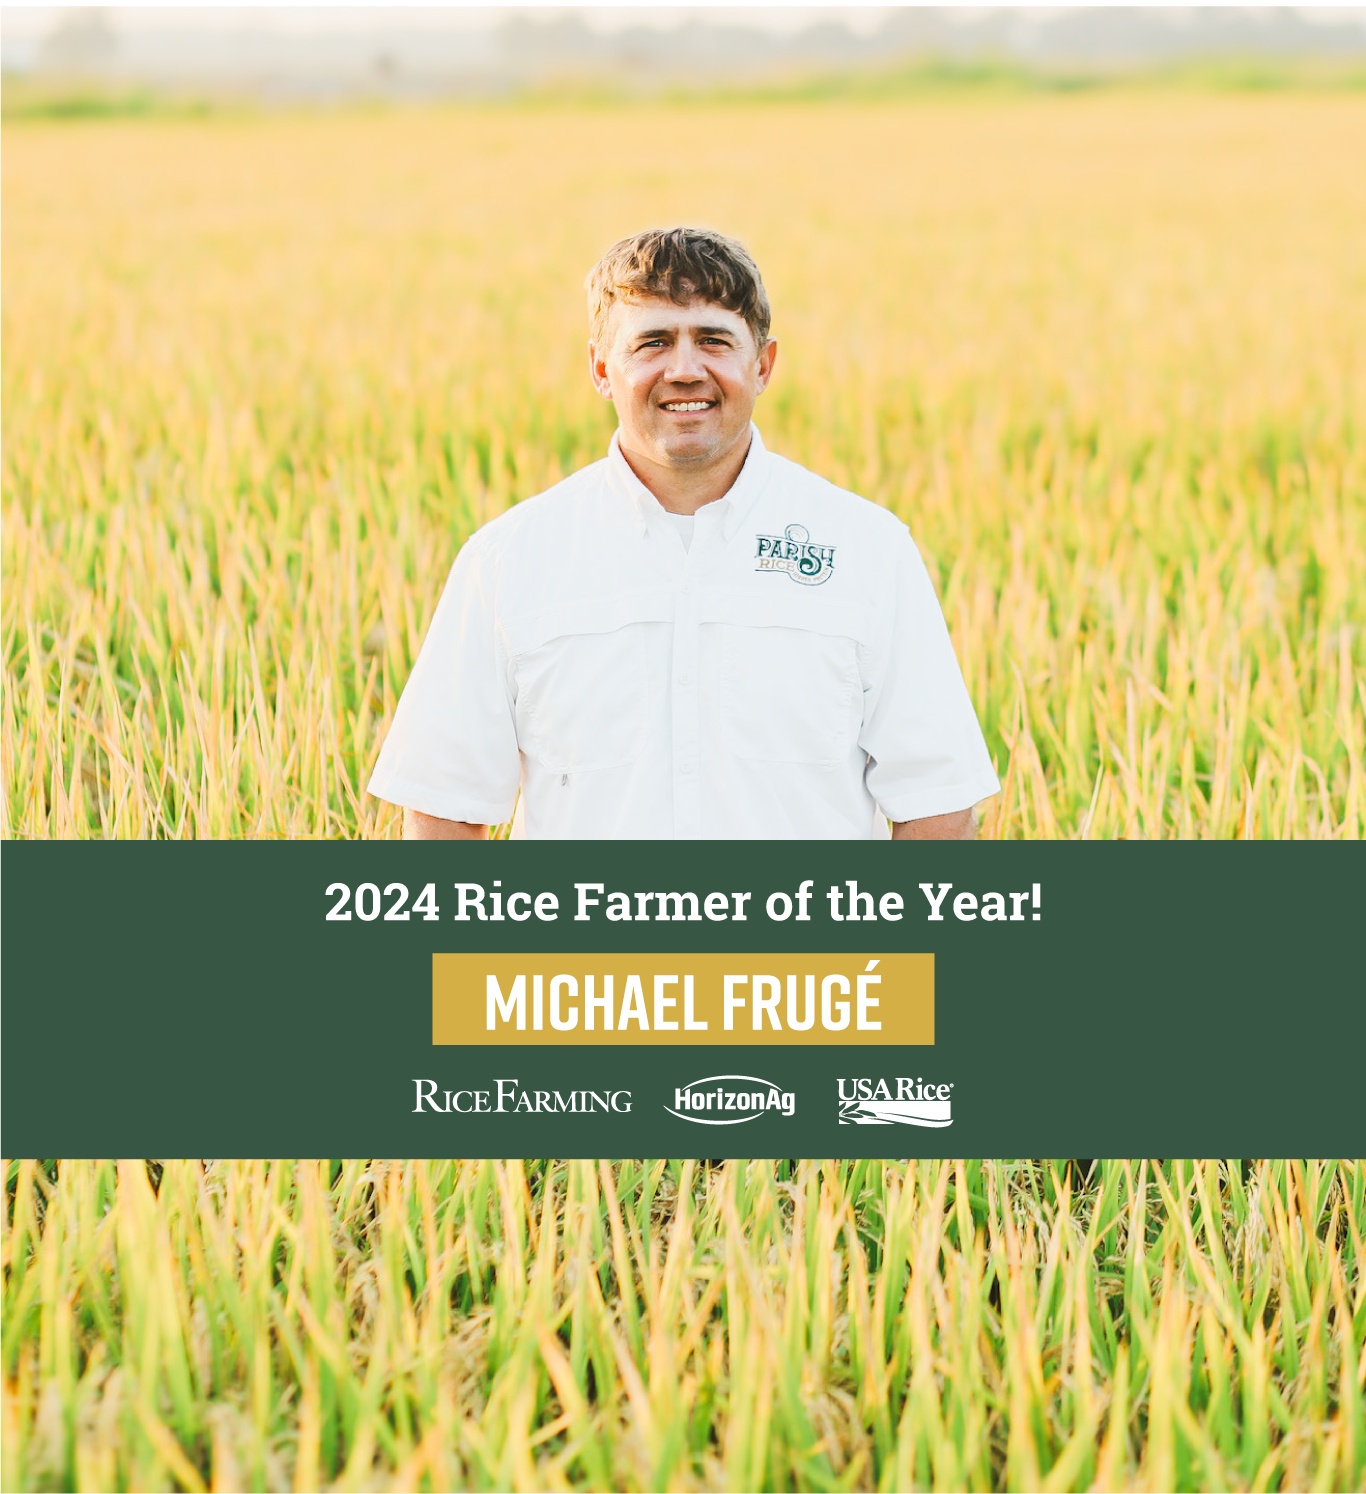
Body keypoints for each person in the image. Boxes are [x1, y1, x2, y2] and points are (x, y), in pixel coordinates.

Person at [367, 227, 999, 840]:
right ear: (600, 369)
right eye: (653, 343)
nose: (686, 369)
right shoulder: (508, 561)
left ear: (764, 365)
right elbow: (445, 813)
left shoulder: (869, 551)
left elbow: (937, 808)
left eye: (715, 340)